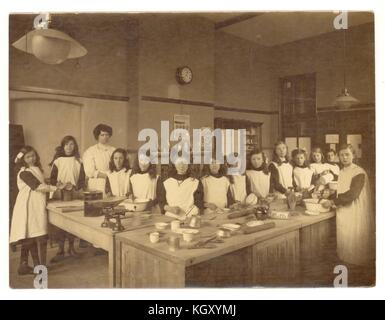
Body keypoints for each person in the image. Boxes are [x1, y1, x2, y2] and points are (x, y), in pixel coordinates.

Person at [322, 144, 375, 271]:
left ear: (353, 155)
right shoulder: (342, 171)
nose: (344, 157)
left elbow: (353, 194)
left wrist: (332, 201)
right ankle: (347, 263)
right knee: (346, 240)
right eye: (341, 155)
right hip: (345, 209)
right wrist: (331, 194)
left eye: (347, 154)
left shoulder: (358, 172)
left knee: (355, 240)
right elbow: (343, 189)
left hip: (355, 210)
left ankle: (356, 268)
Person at [10, 146, 57, 275]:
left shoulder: (36, 169)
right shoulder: (24, 171)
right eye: (28, 157)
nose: (32, 158)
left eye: (33, 155)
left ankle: (24, 266)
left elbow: (40, 180)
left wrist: (51, 183)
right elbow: (37, 186)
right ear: (23, 160)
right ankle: (39, 266)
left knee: (31, 235)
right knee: (36, 234)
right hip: (28, 205)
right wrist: (55, 188)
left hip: (36, 203)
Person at [49, 136, 85, 263]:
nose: (69, 147)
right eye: (66, 145)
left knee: (73, 221)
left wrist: (75, 186)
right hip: (60, 194)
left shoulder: (78, 161)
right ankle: (60, 250)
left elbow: (81, 180)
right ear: (62, 146)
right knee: (60, 223)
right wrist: (60, 184)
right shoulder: (58, 161)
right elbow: (52, 179)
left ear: (75, 146)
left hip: (73, 194)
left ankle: (71, 248)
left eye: (72, 144)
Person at [83, 124, 115, 196]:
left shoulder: (113, 150)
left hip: (112, 182)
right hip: (96, 183)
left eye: (107, 135)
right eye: (102, 135)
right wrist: (107, 176)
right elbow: (89, 171)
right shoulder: (90, 151)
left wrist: (111, 178)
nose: (105, 137)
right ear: (97, 136)